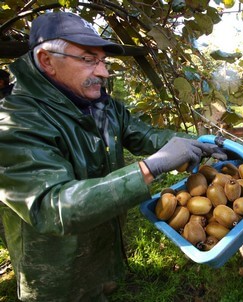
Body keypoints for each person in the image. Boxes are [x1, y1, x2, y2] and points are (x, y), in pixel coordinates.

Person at [0, 12, 227, 301]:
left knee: (101, 286)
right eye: (88, 59)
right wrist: (150, 167)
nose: (103, 72)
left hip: (102, 237)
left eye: (104, 60)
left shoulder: (100, 105)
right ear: (47, 60)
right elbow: (52, 206)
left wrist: (195, 144)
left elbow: (140, 134)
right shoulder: (15, 121)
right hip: (56, 263)